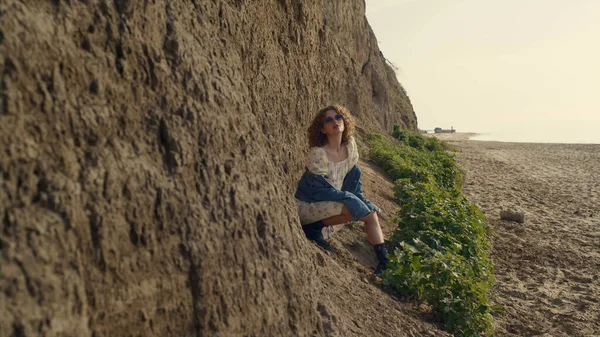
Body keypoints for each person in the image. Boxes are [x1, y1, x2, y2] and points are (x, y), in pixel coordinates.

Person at [294, 105, 391, 275]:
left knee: (370, 213)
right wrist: (348, 198)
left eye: (338, 117)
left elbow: (353, 182)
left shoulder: (350, 146)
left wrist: (359, 200)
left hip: (334, 204)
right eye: (329, 120)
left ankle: (384, 262)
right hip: (308, 206)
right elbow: (317, 192)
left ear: (345, 122)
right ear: (322, 129)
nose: (335, 121)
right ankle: (312, 227)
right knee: (353, 207)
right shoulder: (318, 153)